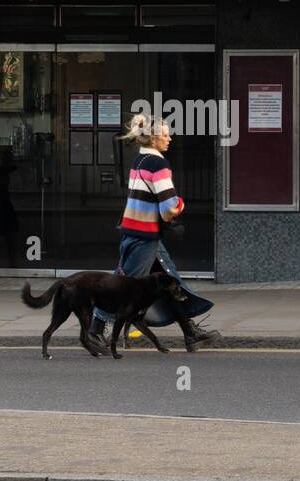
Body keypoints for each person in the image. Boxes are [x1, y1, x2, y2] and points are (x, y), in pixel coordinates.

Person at [89, 113, 220, 349]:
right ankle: (96, 329)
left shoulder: (138, 161)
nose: (169, 139)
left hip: (138, 231)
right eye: (165, 134)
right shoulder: (159, 164)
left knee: (171, 282)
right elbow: (169, 209)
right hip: (145, 236)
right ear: (152, 138)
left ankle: (189, 332)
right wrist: (181, 203)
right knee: (122, 284)